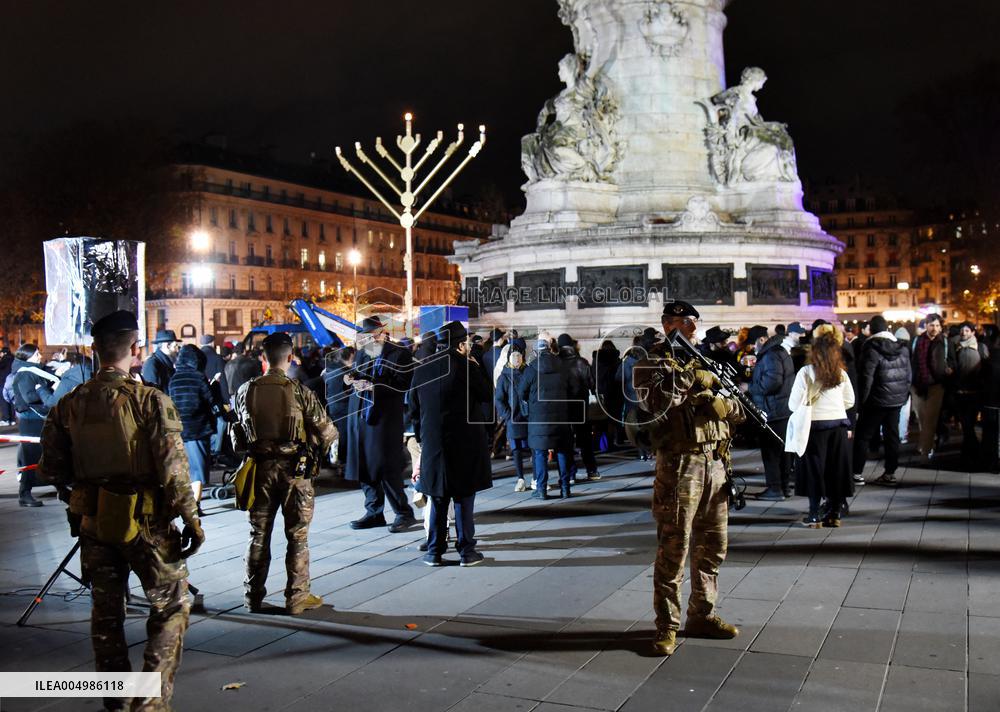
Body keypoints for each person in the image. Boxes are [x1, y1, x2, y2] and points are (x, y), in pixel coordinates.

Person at [37, 310, 204, 711]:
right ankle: (148, 702)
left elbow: (52, 467)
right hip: (148, 525)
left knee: (106, 614)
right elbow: (173, 468)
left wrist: (84, 497)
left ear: (95, 351)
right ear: (135, 350)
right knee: (172, 606)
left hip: (95, 524)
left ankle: (115, 699)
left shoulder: (69, 405)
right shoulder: (149, 400)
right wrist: (191, 520)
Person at [634, 300, 745, 657]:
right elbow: (658, 402)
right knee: (674, 547)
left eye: (696, 320)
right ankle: (667, 625)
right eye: (686, 321)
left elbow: (739, 407)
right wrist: (693, 377)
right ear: (668, 324)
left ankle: (703, 613)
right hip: (680, 465)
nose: (694, 327)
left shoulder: (707, 360)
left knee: (713, 545)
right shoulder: (651, 361)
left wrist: (722, 405)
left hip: (715, 461)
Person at [232, 331, 338, 614]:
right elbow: (327, 432)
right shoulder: (300, 391)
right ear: (290, 357)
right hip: (295, 473)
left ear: (263, 358)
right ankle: (296, 597)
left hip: (260, 472)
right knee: (297, 536)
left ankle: (252, 596)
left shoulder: (246, 391)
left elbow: (238, 440)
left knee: (258, 534)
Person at [410, 321, 493, 566]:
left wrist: (423, 438)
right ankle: (467, 551)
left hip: (434, 444)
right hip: (464, 443)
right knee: (463, 499)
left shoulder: (422, 370)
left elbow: (414, 409)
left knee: (437, 498)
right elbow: (487, 395)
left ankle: (434, 551)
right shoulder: (466, 367)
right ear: (460, 344)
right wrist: (477, 369)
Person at [345, 317, 418, 531]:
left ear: (382, 333)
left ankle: (403, 512)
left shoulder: (399, 353)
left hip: (384, 419)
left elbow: (402, 385)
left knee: (385, 466)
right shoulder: (362, 352)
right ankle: (374, 511)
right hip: (360, 417)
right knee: (365, 466)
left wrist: (373, 386)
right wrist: (349, 379)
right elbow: (358, 373)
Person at [790, 325, 855, 528]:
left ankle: (813, 514)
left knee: (813, 471)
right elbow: (850, 400)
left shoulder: (806, 372)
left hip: (813, 427)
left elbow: (793, 404)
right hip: (838, 426)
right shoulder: (841, 373)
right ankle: (834, 513)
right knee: (836, 469)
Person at [853, 316, 911, 486]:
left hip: (875, 401)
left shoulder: (871, 348)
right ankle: (890, 472)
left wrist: (860, 402)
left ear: (871, 329)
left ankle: (856, 472)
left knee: (863, 436)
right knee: (892, 436)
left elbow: (866, 378)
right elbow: (908, 375)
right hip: (895, 401)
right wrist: (903, 396)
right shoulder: (903, 348)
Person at [518, 332, 575, 498]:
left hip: (538, 418)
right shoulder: (562, 366)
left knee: (540, 453)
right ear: (549, 349)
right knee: (563, 451)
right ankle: (565, 488)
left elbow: (521, 392)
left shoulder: (531, 369)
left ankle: (541, 489)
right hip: (561, 417)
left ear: (536, 352)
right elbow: (571, 389)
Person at [748, 323, 799, 500]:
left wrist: (750, 387)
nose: (753, 347)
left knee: (771, 453)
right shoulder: (779, 351)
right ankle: (783, 488)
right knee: (783, 452)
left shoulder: (770, 355)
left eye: (753, 343)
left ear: (761, 339)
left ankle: (775, 489)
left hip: (773, 411)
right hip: (782, 409)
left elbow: (772, 382)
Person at [10, 343, 59, 506]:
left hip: (37, 418)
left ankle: (58, 485)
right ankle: (24, 493)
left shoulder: (34, 371)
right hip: (31, 420)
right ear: (28, 356)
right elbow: (29, 396)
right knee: (31, 456)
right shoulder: (25, 373)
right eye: (36, 353)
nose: (40, 356)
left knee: (47, 454)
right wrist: (43, 390)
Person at [168, 344, 219, 505]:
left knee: (187, 467)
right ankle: (195, 504)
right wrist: (214, 386)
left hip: (180, 430)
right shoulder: (198, 377)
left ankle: (189, 502)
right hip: (198, 428)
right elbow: (210, 400)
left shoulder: (174, 379)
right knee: (199, 468)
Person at [910, 313, 954, 463]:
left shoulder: (946, 342)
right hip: (918, 385)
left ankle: (926, 450)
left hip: (936, 384)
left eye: (937, 325)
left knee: (930, 418)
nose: (934, 328)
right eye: (931, 325)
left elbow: (953, 361)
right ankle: (927, 442)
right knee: (922, 418)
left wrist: (950, 369)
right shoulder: (917, 341)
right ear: (926, 326)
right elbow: (912, 361)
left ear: (941, 327)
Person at [557, 333, 599, 482]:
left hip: (564, 407)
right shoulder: (582, 362)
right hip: (581, 406)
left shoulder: (556, 363)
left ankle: (570, 473)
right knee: (585, 439)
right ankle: (592, 470)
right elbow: (592, 384)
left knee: (566, 441)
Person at [495, 338, 530, 491]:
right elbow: (499, 399)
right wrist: (508, 415)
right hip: (514, 418)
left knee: (534, 448)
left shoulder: (527, 371)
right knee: (516, 450)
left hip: (528, 417)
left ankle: (536, 478)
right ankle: (520, 478)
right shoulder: (504, 376)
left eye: (518, 356)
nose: (516, 359)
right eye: (514, 356)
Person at [954, 321, 989, 467]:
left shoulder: (980, 347)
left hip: (975, 393)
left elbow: (987, 368)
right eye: (962, 330)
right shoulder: (955, 348)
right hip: (960, 392)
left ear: (973, 332)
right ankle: (971, 451)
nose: (964, 333)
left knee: (970, 424)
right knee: (966, 424)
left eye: (967, 330)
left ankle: (969, 452)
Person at [323, 346, 356, 472]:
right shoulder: (343, 373)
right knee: (344, 436)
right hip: (341, 408)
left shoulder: (331, 369)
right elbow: (345, 393)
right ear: (350, 356)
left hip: (333, 407)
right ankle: (342, 463)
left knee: (338, 435)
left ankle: (337, 461)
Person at [592, 339, 624, 450]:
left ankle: (598, 443)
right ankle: (614, 441)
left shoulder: (596, 360)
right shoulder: (616, 360)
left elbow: (593, 376)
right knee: (614, 419)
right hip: (615, 392)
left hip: (600, 393)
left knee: (600, 419)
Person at [0, 346, 13, 425]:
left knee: (4, 401)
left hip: (3, 382)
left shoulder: (4, 360)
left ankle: (6, 419)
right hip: (11, 382)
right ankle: (12, 419)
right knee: (10, 401)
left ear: (4, 353)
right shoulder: (13, 359)